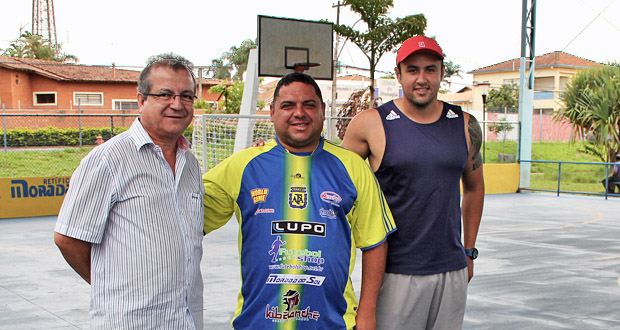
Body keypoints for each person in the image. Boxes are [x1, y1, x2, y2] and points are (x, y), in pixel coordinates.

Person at [203, 72, 396, 330]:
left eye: (309, 105)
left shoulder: (352, 167)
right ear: (271, 112)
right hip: (258, 323)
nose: (299, 113)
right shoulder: (242, 166)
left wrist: (367, 313)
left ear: (323, 110)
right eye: (288, 106)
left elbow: (375, 242)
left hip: (333, 323)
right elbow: (185, 212)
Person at [341, 35, 485, 330]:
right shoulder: (370, 123)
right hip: (394, 272)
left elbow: (474, 188)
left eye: (430, 69)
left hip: (452, 270)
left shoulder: (464, 124)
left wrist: (469, 251)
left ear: (442, 73)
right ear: (398, 74)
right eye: (413, 70)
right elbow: (335, 187)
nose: (422, 78)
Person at [54, 53, 205, 329]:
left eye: (186, 96)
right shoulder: (108, 160)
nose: (177, 104)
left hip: (185, 320)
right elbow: (68, 239)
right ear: (141, 100)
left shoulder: (191, 164)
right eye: (165, 94)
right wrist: (112, 287)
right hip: (131, 321)